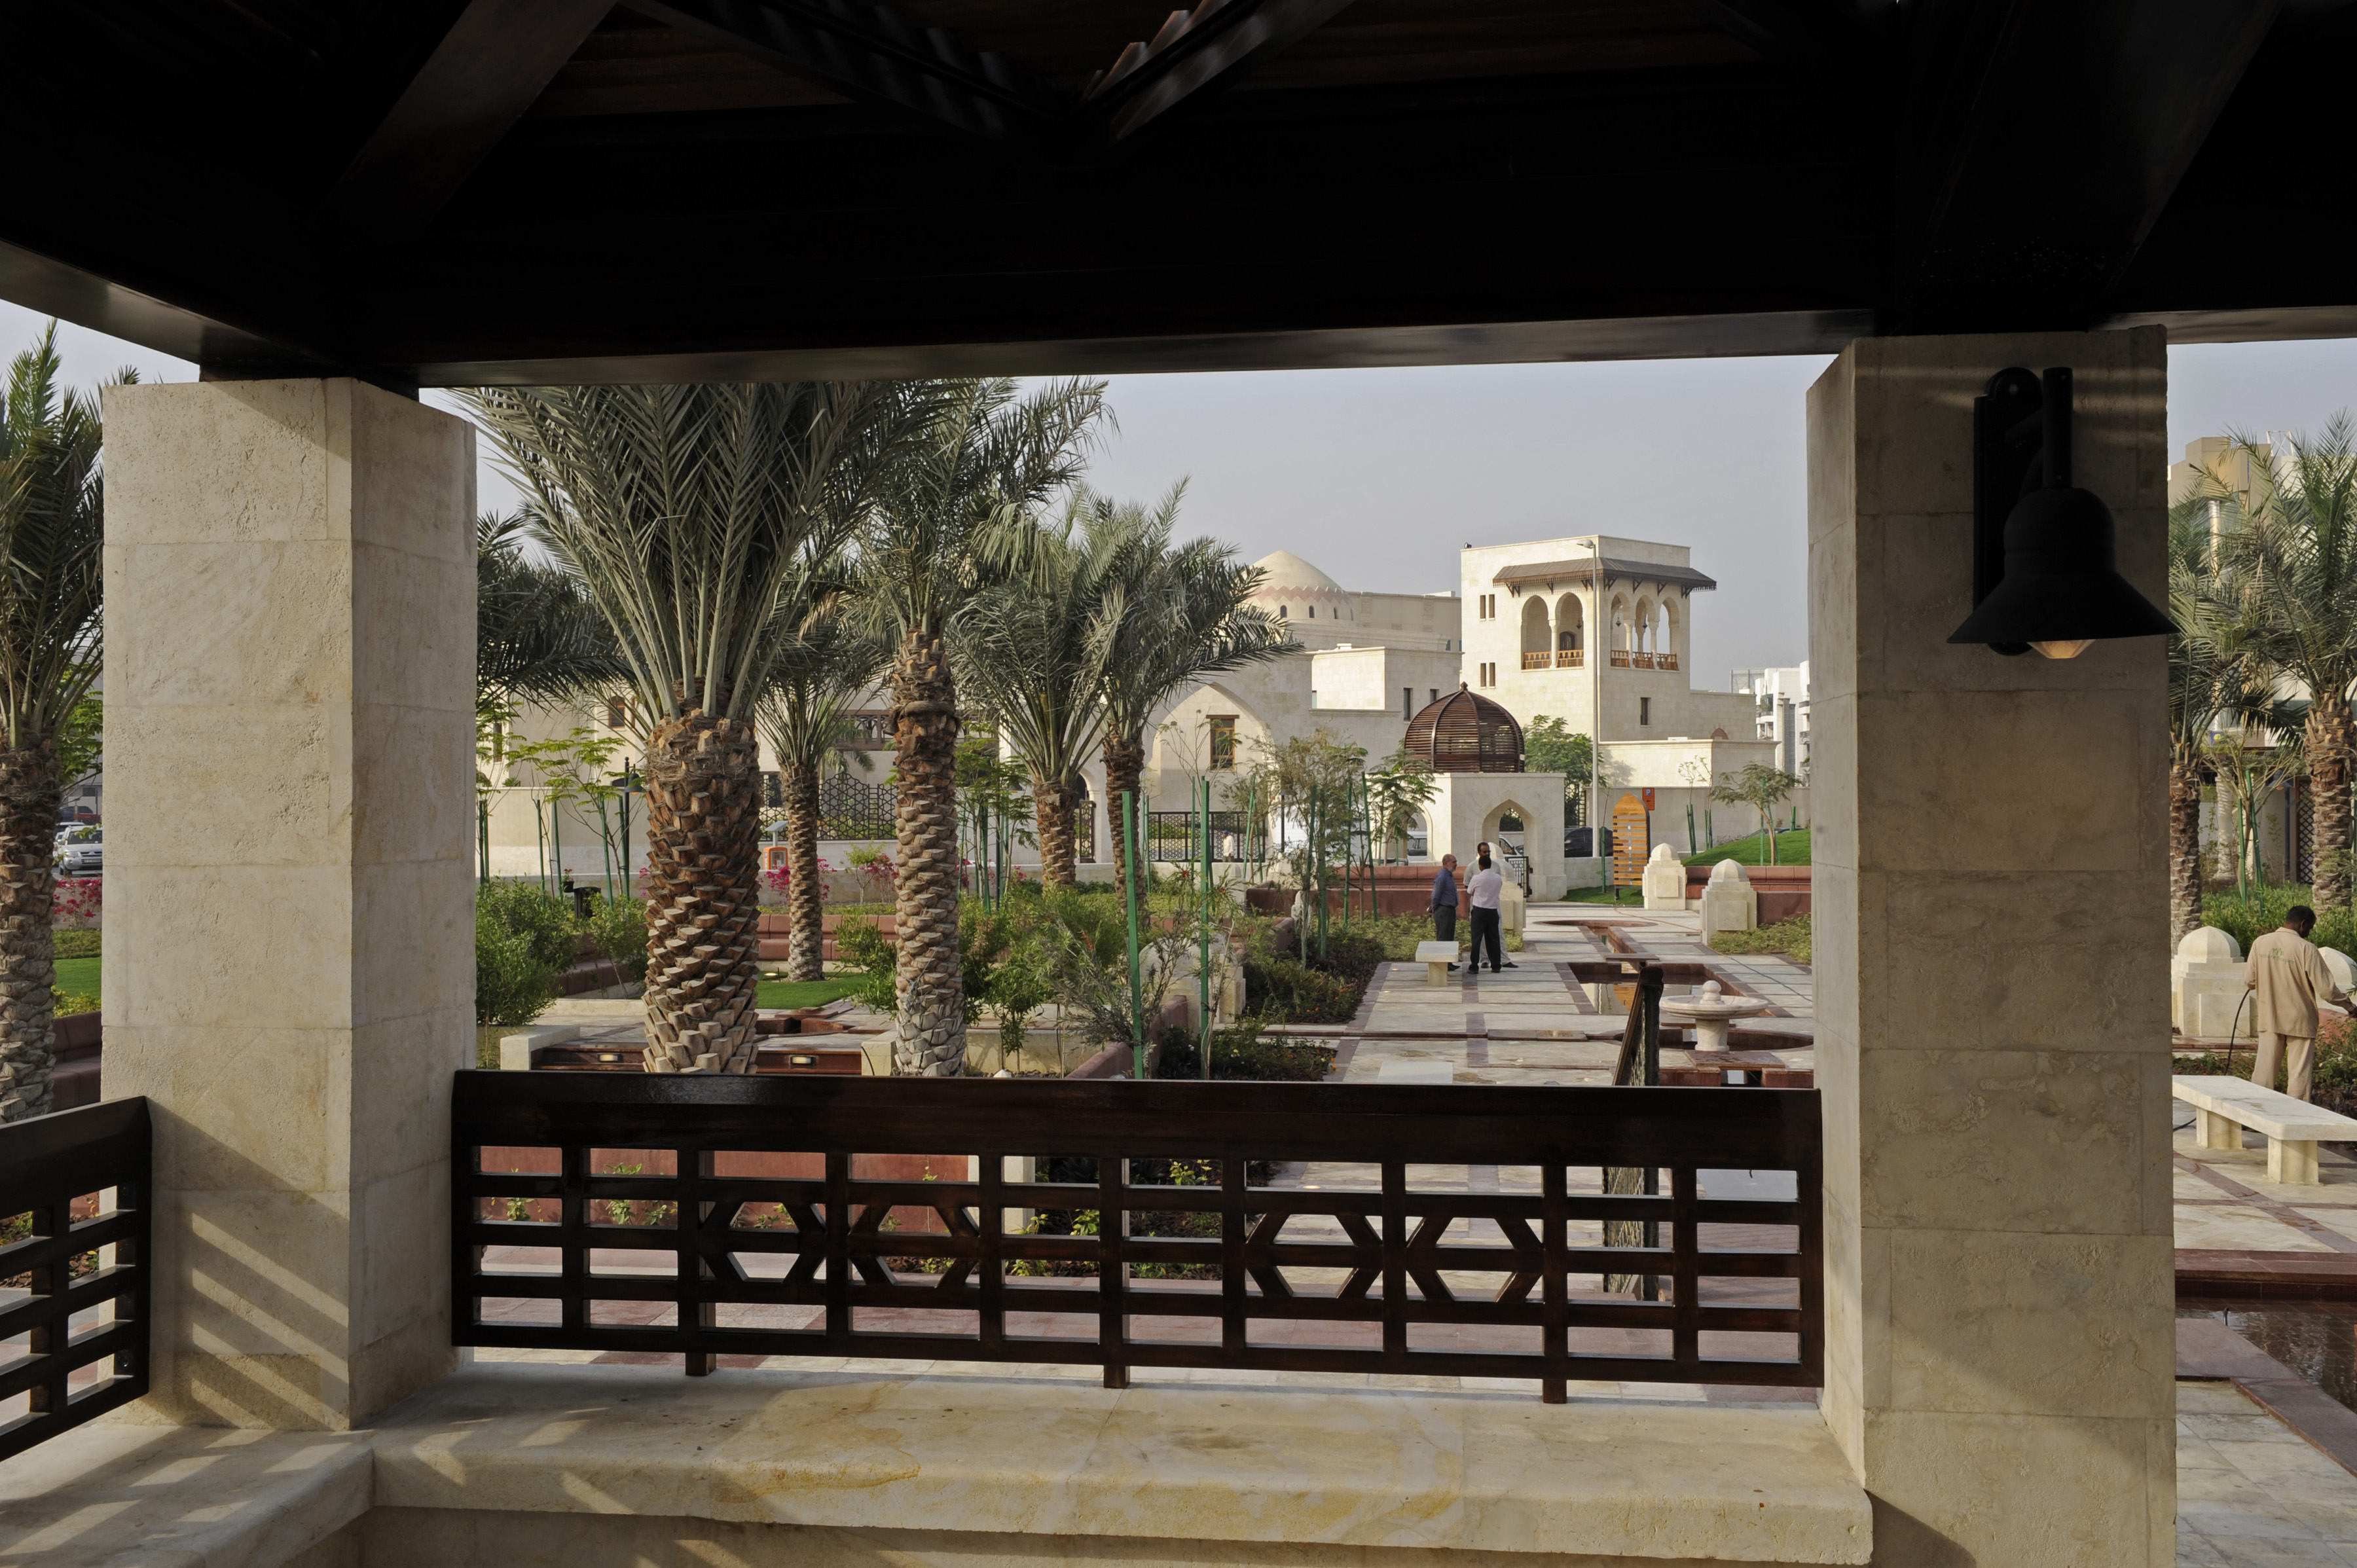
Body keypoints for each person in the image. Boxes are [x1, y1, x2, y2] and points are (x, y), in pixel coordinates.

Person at [2244, 905, 2350, 1103]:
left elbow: (2249, 980)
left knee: (2263, 1075)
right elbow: (2327, 991)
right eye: (2310, 927)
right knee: (2299, 1077)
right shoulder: (2306, 949)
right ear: (2303, 924)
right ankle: (2296, 1124)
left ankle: (2255, 1114)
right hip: (2300, 1020)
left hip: (2270, 1018)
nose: (2309, 932)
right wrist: (2350, 1007)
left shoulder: (2261, 943)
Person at [1467, 852, 1507, 974]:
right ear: (1490, 865)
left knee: (1477, 939)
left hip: (1479, 911)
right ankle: (1496, 965)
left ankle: (1474, 966)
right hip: (1492, 911)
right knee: (1494, 939)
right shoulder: (1498, 878)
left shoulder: (1476, 878)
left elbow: (1470, 891)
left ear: (1481, 866)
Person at [1429, 854, 1461, 972]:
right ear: (1446, 863)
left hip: (1450, 910)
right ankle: (1442, 964)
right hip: (1443, 909)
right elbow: (1436, 894)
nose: (1456, 864)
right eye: (1454, 862)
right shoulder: (1442, 876)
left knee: (1449, 937)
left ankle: (1448, 962)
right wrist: (1435, 907)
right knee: (1443, 937)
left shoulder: (1449, 876)